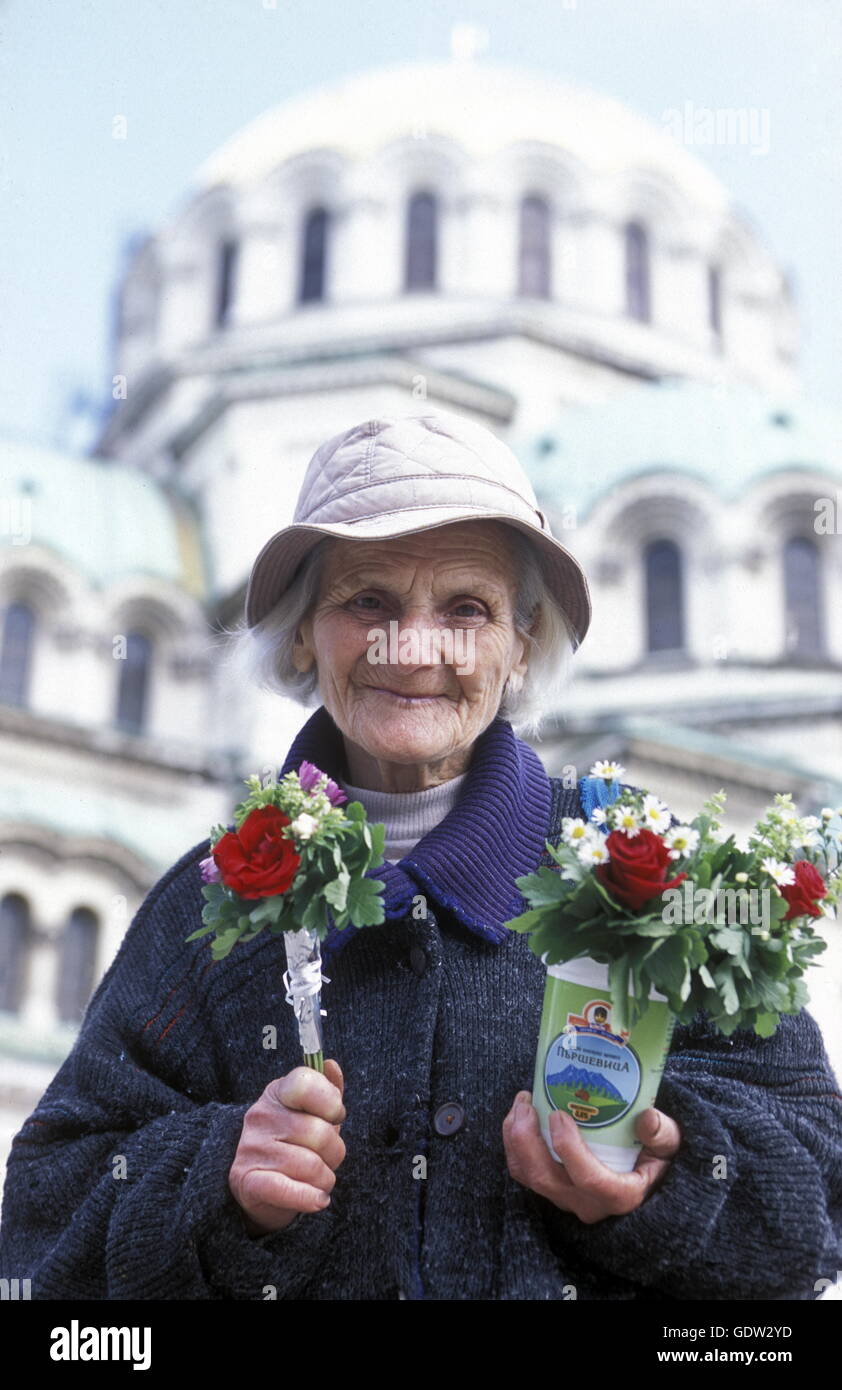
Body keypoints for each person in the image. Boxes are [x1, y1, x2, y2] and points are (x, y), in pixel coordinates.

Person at [1, 410, 840, 1301]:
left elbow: (819, 1183)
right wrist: (220, 1177)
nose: (413, 646)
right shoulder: (210, 906)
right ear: (299, 632)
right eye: (369, 602)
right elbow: (41, 1225)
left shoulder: (649, 875)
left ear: (521, 645)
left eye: (467, 609)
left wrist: (668, 1174)